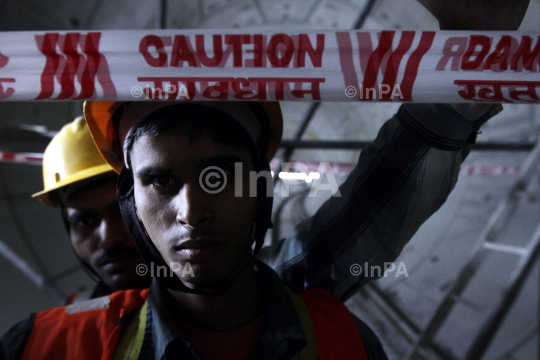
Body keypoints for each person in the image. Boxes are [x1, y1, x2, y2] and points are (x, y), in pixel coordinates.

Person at [0, 0, 530, 358]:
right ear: (133, 196)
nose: (191, 211)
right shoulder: (51, 343)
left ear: (259, 186)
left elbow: (368, 211)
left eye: (220, 177)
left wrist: (470, 56)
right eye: (160, 182)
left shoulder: (325, 329)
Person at [31, 117, 150, 301]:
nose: (108, 240)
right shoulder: (66, 325)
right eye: (85, 221)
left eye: (123, 211)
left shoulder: (209, 317)